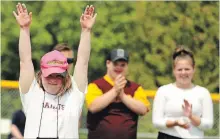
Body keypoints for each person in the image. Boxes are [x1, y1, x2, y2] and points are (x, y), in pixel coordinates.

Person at [13, 3, 96, 138]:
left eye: (58, 75)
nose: (53, 79)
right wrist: (24, 29)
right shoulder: (31, 92)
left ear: (65, 75)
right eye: (49, 75)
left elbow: (82, 62)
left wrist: (86, 31)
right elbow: (25, 61)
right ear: (41, 73)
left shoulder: (75, 93)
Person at [86, 48, 150, 139]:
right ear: (108, 63)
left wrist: (123, 96)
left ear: (127, 66)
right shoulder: (96, 85)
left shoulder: (135, 88)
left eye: (123, 65)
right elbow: (93, 106)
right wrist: (115, 91)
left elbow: (143, 109)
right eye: (115, 64)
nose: (119, 68)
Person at [152, 47, 213, 139]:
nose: (183, 73)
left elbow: (208, 125)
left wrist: (191, 116)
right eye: (179, 69)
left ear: (193, 69)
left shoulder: (203, 93)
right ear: (174, 71)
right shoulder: (163, 91)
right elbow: (157, 122)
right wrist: (176, 122)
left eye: (187, 69)